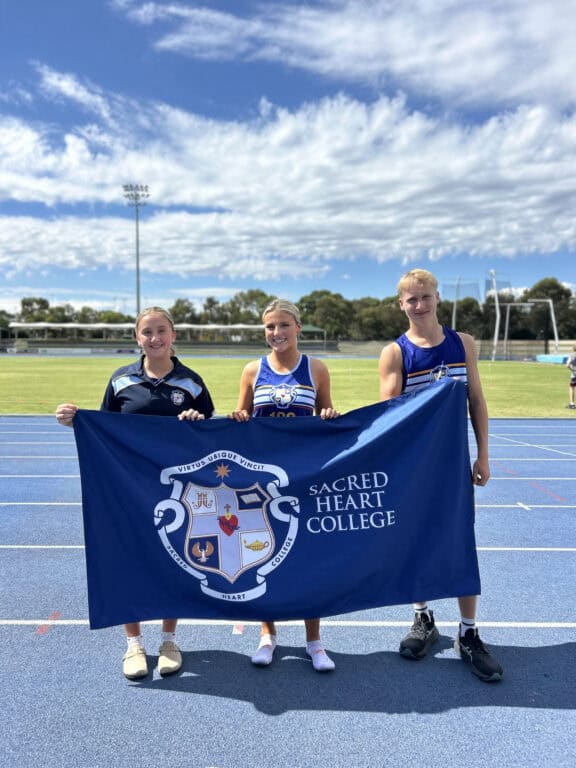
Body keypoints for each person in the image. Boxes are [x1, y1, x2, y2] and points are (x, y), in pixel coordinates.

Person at [55, 307, 215, 681]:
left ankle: (169, 640)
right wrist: (74, 418)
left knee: (174, 557)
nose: (155, 338)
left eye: (162, 331)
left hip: (176, 491)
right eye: (147, 332)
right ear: (137, 338)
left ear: (173, 335)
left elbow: (210, 432)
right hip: (127, 488)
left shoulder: (191, 382)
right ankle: (134, 644)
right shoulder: (121, 380)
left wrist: (198, 421)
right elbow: (103, 428)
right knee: (127, 559)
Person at [378, 269, 503, 682]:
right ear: (401, 304)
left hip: (453, 466)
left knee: (460, 542)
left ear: (437, 298)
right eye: (411, 300)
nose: (419, 305)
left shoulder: (462, 344)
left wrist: (483, 454)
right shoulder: (395, 353)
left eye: (426, 297)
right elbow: (388, 419)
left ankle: (468, 633)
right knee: (414, 542)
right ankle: (423, 619)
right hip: (414, 469)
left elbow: (477, 402)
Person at [229, 298, 339, 672]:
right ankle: (267, 635)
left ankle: (314, 641)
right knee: (261, 554)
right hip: (261, 483)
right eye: (269, 327)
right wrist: (240, 415)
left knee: (309, 558)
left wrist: (328, 414)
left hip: (304, 478)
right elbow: (241, 419)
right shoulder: (251, 370)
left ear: (298, 328)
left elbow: (326, 418)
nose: (276, 333)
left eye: (282, 326)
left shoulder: (317, 368)